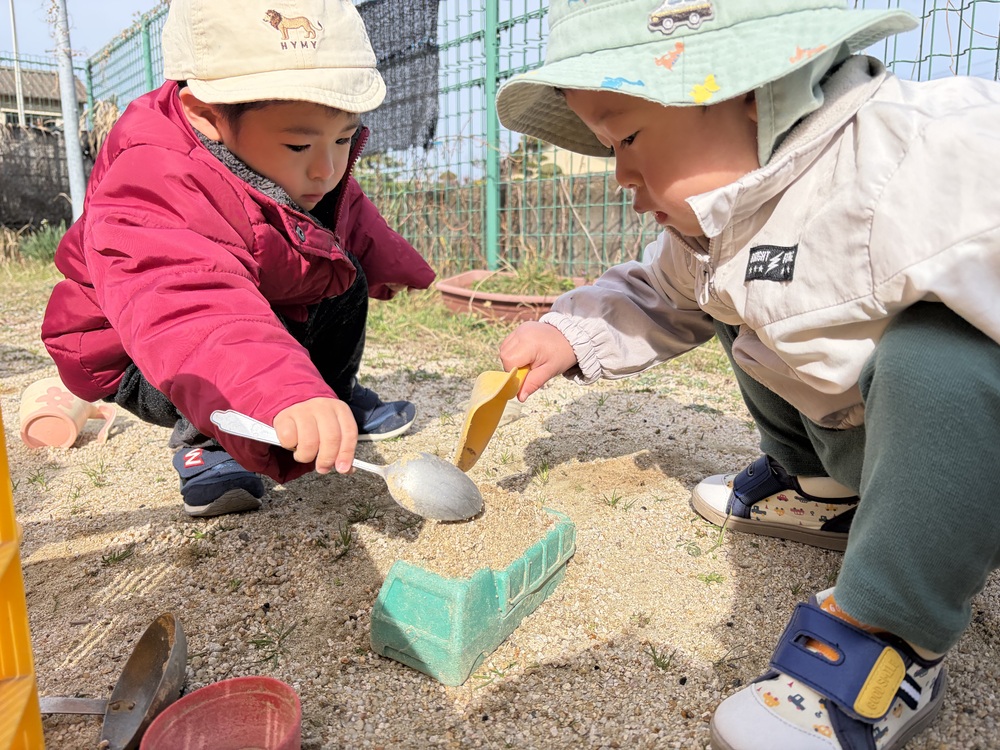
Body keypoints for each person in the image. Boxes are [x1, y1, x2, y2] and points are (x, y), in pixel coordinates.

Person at [493, 1, 1000, 748]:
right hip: (874, 447)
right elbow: (655, 293)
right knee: (732, 301)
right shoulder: (718, 226)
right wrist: (569, 333)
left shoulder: (933, 158)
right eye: (609, 149)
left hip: (968, 477)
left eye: (627, 137)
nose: (620, 174)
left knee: (941, 354)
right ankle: (823, 494)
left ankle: (889, 631)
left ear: (748, 87)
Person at [41, 0, 435, 518]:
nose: (327, 168)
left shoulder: (289, 165)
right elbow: (192, 311)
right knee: (239, 329)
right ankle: (208, 444)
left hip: (232, 319)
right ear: (207, 120)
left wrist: (397, 265)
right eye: (299, 145)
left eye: (344, 139)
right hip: (142, 352)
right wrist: (282, 392)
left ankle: (332, 405)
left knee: (342, 275)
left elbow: (347, 216)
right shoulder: (155, 180)